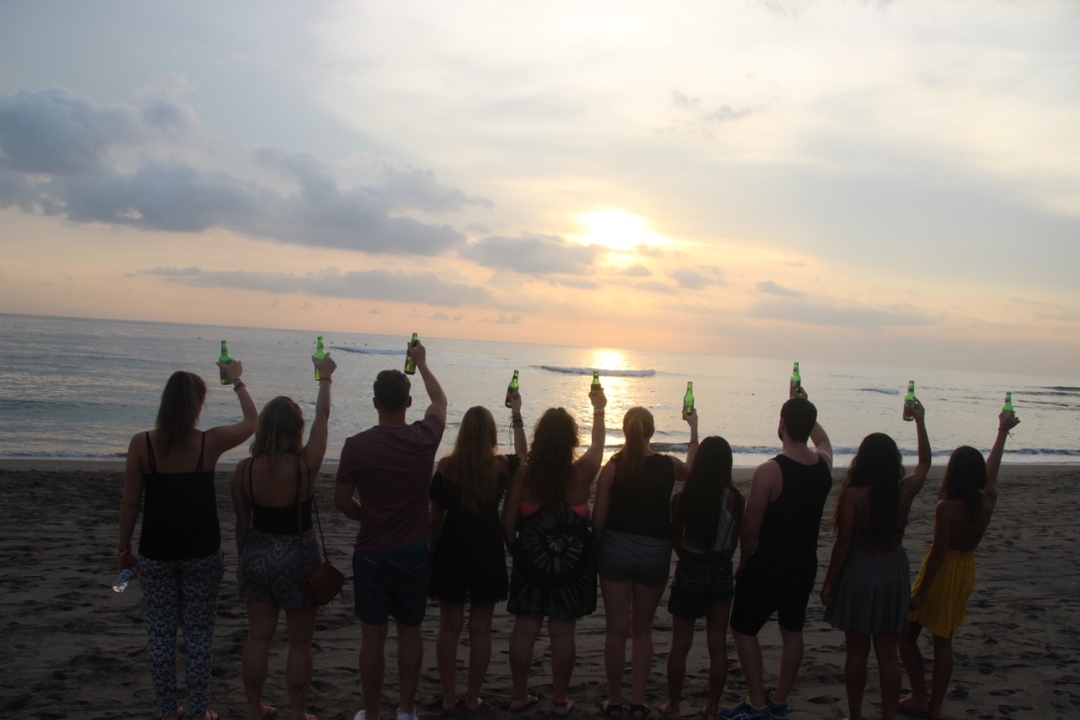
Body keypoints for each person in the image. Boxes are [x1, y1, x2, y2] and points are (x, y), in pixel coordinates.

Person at [118, 360, 258, 720]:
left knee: (161, 634)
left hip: (156, 552)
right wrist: (237, 380)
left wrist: (124, 549)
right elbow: (251, 422)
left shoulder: (142, 444)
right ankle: (198, 711)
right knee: (199, 635)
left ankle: (167, 710)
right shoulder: (208, 443)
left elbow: (131, 501)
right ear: (197, 405)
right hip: (201, 552)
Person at [334, 340, 447, 720]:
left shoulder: (357, 446)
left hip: (372, 553)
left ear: (374, 402)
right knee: (410, 633)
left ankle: (371, 712)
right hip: (414, 554)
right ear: (408, 403)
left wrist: (364, 515)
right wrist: (423, 363)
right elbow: (441, 402)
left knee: (373, 636)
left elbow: (340, 500)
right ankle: (407, 710)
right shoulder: (424, 438)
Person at [232, 353, 337, 720]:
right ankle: (296, 712)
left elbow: (241, 525)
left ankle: (253, 708)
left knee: (258, 637)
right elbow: (323, 418)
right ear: (296, 430)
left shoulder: (243, 471)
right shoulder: (305, 466)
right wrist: (325, 378)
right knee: (299, 641)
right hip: (298, 557)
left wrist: (245, 562)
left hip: (256, 555)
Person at [898, 408, 1021, 720]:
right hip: (965, 572)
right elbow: (992, 470)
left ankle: (920, 696)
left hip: (941, 573)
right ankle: (935, 706)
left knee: (905, 633)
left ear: (953, 472)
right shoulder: (986, 501)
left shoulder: (947, 508)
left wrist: (921, 593)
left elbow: (938, 555)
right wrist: (1002, 432)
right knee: (944, 641)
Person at [722, 390, 833, 720]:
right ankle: (779, 700)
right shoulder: (824, 465)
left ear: (781, 424)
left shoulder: (770, 471)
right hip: (804, 564)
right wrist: (805, 406)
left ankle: (758, 702)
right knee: (792, 630)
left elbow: (751, 527)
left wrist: (743, 562)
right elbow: (824, 439)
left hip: (771, 562)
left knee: (743, 628)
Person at [820, 400, 931, 720]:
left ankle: (855, 716)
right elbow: (924, 463)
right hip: (893, 570)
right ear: (893, 461)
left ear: (863, 460)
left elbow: (843, 545)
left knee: (856, 652)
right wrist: (920, 423)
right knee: (888, 655)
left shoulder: (855, 496)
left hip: (861, 568)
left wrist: (829, 582)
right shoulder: (904, 492)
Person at [502, 384, 607, 716]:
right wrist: (599, 407)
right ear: (570, 440)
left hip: (531, 560)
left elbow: (506, 522)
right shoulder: (582, 472)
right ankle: (560, 699)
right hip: (571, 566)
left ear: (541, 437)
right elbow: (599, 444)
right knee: (563, 632)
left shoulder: (524, 474)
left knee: (525, 629)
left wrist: (517, 552)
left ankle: (520, 695)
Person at [593, 406, 696, 718]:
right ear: (651, 432)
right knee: (642, 630)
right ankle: (638, 702)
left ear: (625, 431)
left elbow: (598, 519)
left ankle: (614, 701)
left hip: (616, 549)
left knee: (616, 630)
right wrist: (693, 429)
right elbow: (692, 469)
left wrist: (599, 550)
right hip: (655, 552)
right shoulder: (667, 466)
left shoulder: (613, 466)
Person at [429, 394, 528, 713]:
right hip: (487, 546)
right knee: (481, 628)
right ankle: (472, 697)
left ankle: (448, 696)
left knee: (448, 626)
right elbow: (524, 456)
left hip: (453, 546)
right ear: (490, 435)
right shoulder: (500, 465)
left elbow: (435, 518)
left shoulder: (446, 466)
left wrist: (432, 550)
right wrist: (516, 413)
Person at [663, 436, 745, 720]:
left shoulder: (681, 498)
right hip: (721, 566)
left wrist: (687, 554)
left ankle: (673, 704)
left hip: (690, 564)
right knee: (717, 645)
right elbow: (733, 541)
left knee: (680, 644)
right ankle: (711, 708)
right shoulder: (734, 499)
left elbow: (675, 538)